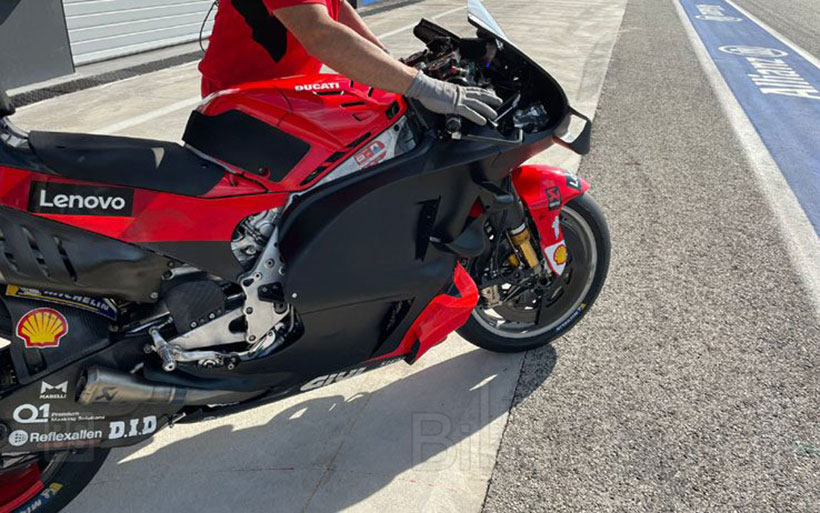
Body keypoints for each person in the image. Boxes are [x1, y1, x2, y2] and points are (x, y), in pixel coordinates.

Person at [199, 0, 502, 125]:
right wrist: (423, 87)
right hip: (241, 100)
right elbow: (320, 33)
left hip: (284, 92)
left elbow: (337, 7)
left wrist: (390, 63)